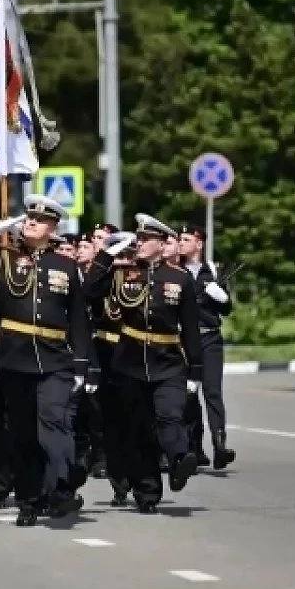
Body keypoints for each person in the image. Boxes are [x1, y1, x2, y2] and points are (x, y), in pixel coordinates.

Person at [0, 194, 91, 527]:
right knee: (23, 435)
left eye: (40, 220)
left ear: (53, 228)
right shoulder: (2, 258)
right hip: (14, 360)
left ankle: (61, 486)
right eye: (29, 217)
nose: (31, 222)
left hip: (56, 358)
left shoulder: (67, 266)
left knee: (53, 423)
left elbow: (78, 320)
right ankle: (30, 500)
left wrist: (84, 365)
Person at [83, 214, 204, 513]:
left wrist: (196, 370)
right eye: (138, 237)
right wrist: (106, 255)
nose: (139, 242)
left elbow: (190, 327)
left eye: (147, 239)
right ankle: (147, 493)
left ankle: (179, 458)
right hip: (131, 362)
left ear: (162, 244)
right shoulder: (122, 272)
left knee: (169, 415)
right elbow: (89, 291)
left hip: (169, 361)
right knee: (139, 431)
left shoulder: (179, 278)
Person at [177, 224, 236, 470]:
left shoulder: (212, 270)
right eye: (180, 238)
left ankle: (220, 445)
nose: (181, 242)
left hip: (209, 337)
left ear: (199, 244)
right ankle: (194, 446)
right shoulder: (175, 270)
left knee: (212, 392)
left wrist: (220, 296)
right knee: (188, 394)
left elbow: (226, 308)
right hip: (182, 340)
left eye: (187, 239)